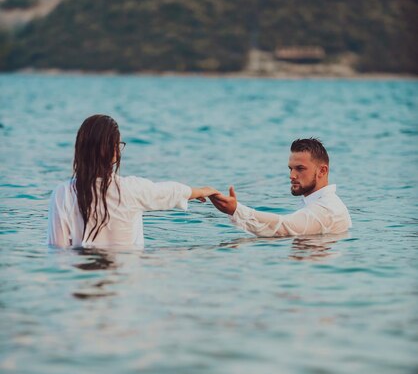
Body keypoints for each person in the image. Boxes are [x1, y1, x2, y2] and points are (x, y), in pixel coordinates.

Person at [47, 114, 219, 248]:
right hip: (126, 278)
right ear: (114, 151)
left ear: (79, 149)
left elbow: (58, 248)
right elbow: (171, 191)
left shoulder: (63, 194)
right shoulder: (132, 189)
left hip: (80, 276)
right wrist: (203, 191)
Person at [209, 138, 352, 237]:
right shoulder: (319, 203)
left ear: (322, 171)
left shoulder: (327, 209)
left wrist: (236, 210)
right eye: (291, 169)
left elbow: (284, 227)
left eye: (300, 169)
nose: (292, 175)